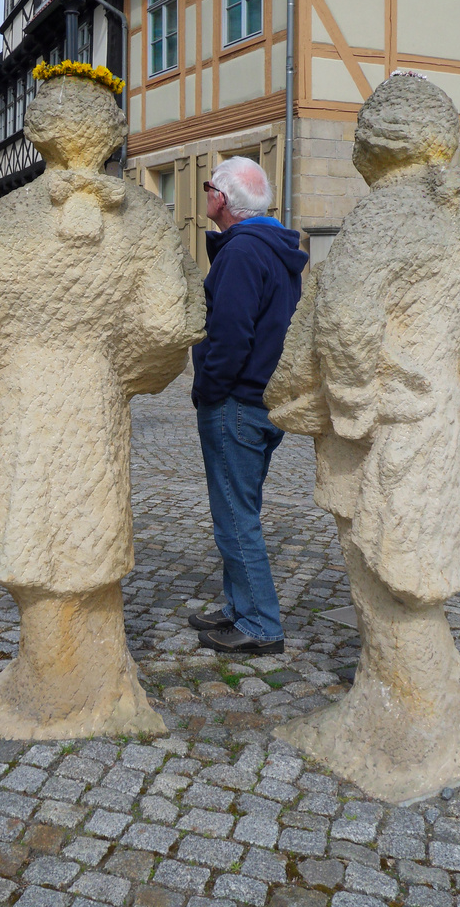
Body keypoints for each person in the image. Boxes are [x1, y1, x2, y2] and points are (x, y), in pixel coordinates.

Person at [189, 156, 307, 653]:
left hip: (237, 400)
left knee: (236, 516)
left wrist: (207, 391)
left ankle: (260, 624)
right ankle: (238, 606)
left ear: (223, 200)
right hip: (263, 398)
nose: (205, 195)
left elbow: (232, 336)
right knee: (242, 509)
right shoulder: (273, 248)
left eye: (207, 187)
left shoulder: (241, 253)